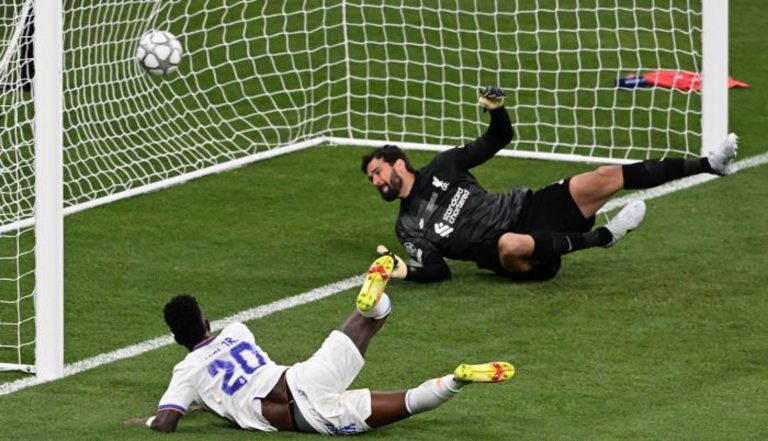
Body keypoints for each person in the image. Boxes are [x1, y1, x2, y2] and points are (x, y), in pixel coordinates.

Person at [361, 86, 739, 283]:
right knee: (511, 242)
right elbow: (438, 270)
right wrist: (405, 270)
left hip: (529, 208)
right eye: (372, 179)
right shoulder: (407, 226)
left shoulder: (445, 164)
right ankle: (605, 237)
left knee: (606, 175)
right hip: (514, 257)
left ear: (399, 164)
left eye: (378, 172)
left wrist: (497, 110)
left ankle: (710, 163)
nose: (376, 182)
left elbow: (498, 138)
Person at [126, 255, 515, 434]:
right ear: (208, 322)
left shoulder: (186, 372)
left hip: (310, 418)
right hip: (304, 376)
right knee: (373, 317)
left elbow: (166, 423)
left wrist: (151, 419)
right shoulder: (237, 332)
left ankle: (458, 380)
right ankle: (374, 296)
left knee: (409, 401)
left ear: (177, 339)